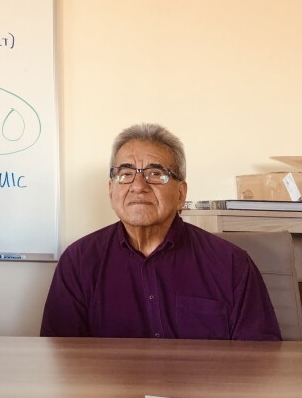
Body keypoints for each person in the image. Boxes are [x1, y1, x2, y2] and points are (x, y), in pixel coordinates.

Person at [41, 123, 280, 341]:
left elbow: (260, 361)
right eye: (125, 174)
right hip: (111, 388)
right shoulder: (79, 262)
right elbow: (62, 359)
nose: (138, 186)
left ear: (181, 194)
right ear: (111, 190)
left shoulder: (232, 264)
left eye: (155, 174)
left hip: (201, 388)